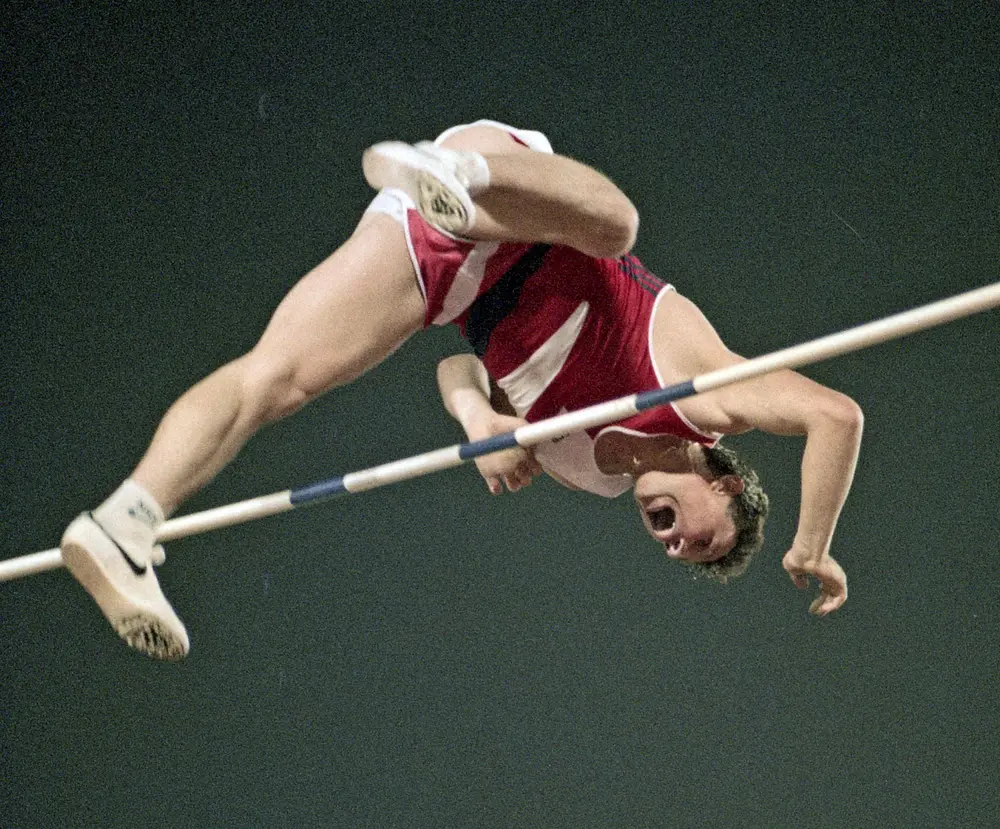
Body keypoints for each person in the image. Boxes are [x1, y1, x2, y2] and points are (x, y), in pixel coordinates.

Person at [59, 120, 864, 661]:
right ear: (723, 479)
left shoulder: (584, 472)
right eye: (706, 539)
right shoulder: (707, 395)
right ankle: (462, 172)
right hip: (520, 208)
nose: (677, 547)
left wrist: (478, 417)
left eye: (684, 555)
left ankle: (125, 521)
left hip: (450, 275)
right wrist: (812, 545)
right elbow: (834, 415)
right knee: (619, 226)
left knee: (274, 378)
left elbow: (457, 370)